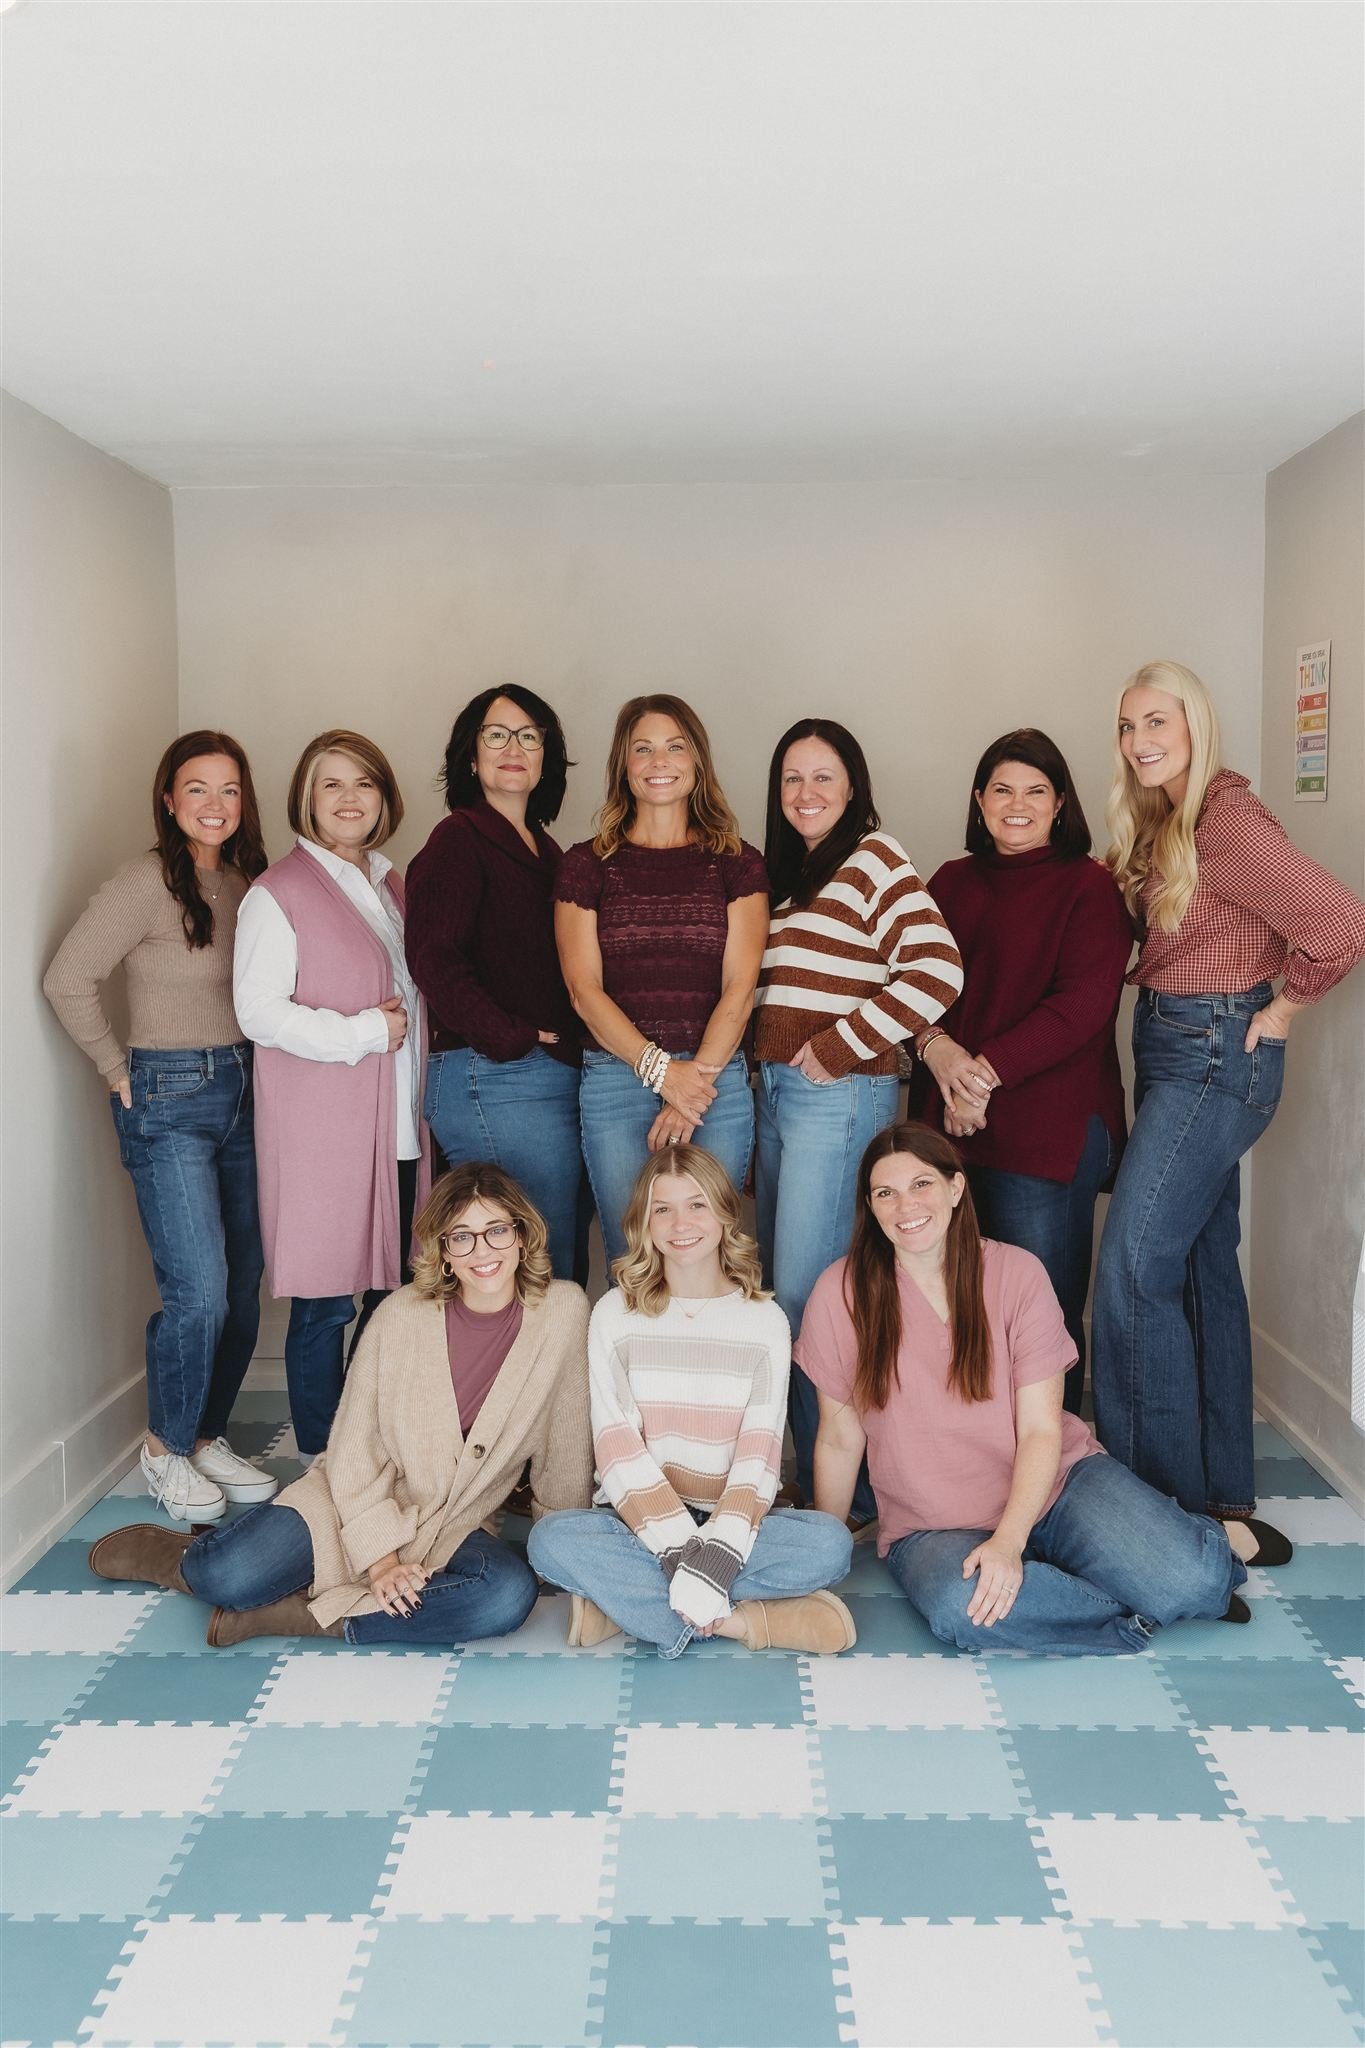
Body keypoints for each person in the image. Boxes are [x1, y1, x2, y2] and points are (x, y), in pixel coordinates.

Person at [88, 1164, 594, 1646]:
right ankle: (183, 1556)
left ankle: (300, 1617)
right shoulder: (402, 1316)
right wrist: (381, 1561)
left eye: (497, 1231)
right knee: (227, 1577)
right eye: (461, 1236)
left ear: (522, 1235)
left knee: (505, 1598)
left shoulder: (565, 1312)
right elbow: (353, 1447)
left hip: (454, 1522)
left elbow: (565, 1444)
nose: (483, 1250)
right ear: (442, 1251)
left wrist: (570, 1554)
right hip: (354, 1498)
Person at [805, 1124, 1260, 1655]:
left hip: (1057, 1487)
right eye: (886, 1192)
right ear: (871, 1205)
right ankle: (1141, 1603)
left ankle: (1197, 1550)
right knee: (963, 1612)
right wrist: (821, 1560)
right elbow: (839, 1438)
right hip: (934, 1526)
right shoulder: (840, 1292)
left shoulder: (1017, 1274)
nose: (906, 1205)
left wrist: (1009, 1541)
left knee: (1196, 1582)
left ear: (955, 1189)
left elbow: (1042, 1429)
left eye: (921, 1184)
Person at [1092, 660, 1365, 1544]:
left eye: (1157, 723)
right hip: (1174, 1045)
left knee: (1133, 1269)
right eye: (1129, 726)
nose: (1140, 742)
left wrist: (1281, 1010)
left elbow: (1340, 922)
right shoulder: (1168, 819)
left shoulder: (1225, 819)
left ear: (1194, 727)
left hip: (1213, 1055)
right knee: (1203, 1271)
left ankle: (1156, 1512)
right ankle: (1222, 1500)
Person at [44, 731, 276, 1524]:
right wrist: (117, 1070)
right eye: (197, 789)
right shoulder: (144, 882)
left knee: (243, 1289)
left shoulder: (251, 883)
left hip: (250, 1089)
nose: (215, 805)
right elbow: (68, 977)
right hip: (168, 1095)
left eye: (230, 790)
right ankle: (165, 1450)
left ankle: (208, 1435)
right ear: (169, 800)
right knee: (199, 1293)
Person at [754, 717, 963, 1515]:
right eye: (791, 779)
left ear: (853, 788)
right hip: (779, 1094)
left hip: (836, 1094)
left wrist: (840, 1047)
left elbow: (936, 970)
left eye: (823, 777)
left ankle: (839, 1492)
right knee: (787, 1292)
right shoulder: (786, 876)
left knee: (812, 1298)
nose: (806, 794)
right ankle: (815, 1471)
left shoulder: (874, 857)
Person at [529, 1146, 855, 1656]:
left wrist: (717, 1550)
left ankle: (625, 1608)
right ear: (644, 1222)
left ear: (726, 1214)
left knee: (831, 1545)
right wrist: (684, 1554)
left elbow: (760, 1453)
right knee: (549, 1540)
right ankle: (748, 1623)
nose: (681, 1222)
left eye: (697, 1204)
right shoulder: (616, 1312)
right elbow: (616, 1449)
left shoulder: (763, 1320)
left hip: (733, 1520)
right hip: (636, 1521)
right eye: (663, 1208)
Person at [909, 728, 1132, 1413]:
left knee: (1042, 1313)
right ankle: (965, 1465)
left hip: (1046, 1132)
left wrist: (979, 1075)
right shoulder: (948, 881)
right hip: (945, 1124)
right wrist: (936, 1050)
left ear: (1060, 804)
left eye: (1035, 791)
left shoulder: (1089, 887)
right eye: (1001, 789)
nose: (1017, 804)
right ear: (978, 802)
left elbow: (1082, 1005)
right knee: (949, 1308)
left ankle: (1051, 1470)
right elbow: (909, 981)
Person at [233, 729, 431, 1458]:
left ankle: (369, 1444)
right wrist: (360, 1034)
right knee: (323, 1303)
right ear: (306, 799)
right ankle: (322, 1459)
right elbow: (257, 1011)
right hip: (324, 1131)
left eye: (364, 784)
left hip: (401, 1126)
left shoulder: (392, 885)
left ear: (384, 798)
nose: (349, 799)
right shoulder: (276, 893)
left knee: (395, 1295)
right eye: (331, 784)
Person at [554, 696, 768, 1265]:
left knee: (711, 1254)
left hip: (712, 1082)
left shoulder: (737, 862)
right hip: (617, 1081)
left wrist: (690, 1087)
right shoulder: (587, 865)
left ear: (697, 762)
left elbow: (741, 987)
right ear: (623, 765)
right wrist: (659, 1072)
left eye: (675, 746)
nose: (659, 761)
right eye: (642, 748)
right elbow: (583, 990)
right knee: (637, 1254)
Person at [406, 685, 584, 1280]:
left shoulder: (548, 851)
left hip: (543, 1077)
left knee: (551, 1261)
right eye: (497, 735)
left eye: (529, 736)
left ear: (546, 757)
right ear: (471, 756)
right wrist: (510, 1037)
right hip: (494, 1074)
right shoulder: (457, 840)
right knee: (533, 1269)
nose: (514, 748)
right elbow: (433, 959)